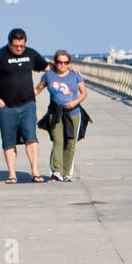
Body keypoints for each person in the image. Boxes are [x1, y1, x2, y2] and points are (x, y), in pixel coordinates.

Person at [0, 28, 48, 183]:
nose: (19, 49)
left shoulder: (31, 54)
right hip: (6, 106)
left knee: (31, 137)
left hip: (28, 104)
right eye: (16, 46)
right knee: (9, 141)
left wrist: (39, 88)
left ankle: (35, 172)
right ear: (9, 43)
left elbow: (48, 69)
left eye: (22, 45)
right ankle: (12, 174)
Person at [35, 50, 87, 182]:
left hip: (74, 113)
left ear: (69, 63)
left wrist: (74, 102)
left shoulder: (75, 75)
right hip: (55, 113)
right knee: (58, 141)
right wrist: (22, 98)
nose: (62, 65)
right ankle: (56, 171)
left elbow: (83, 93)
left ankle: (66, 172)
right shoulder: (49, 76)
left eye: (66, 62)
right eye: (59, 62)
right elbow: (37, 89)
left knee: (70, 143)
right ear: (55, 62)